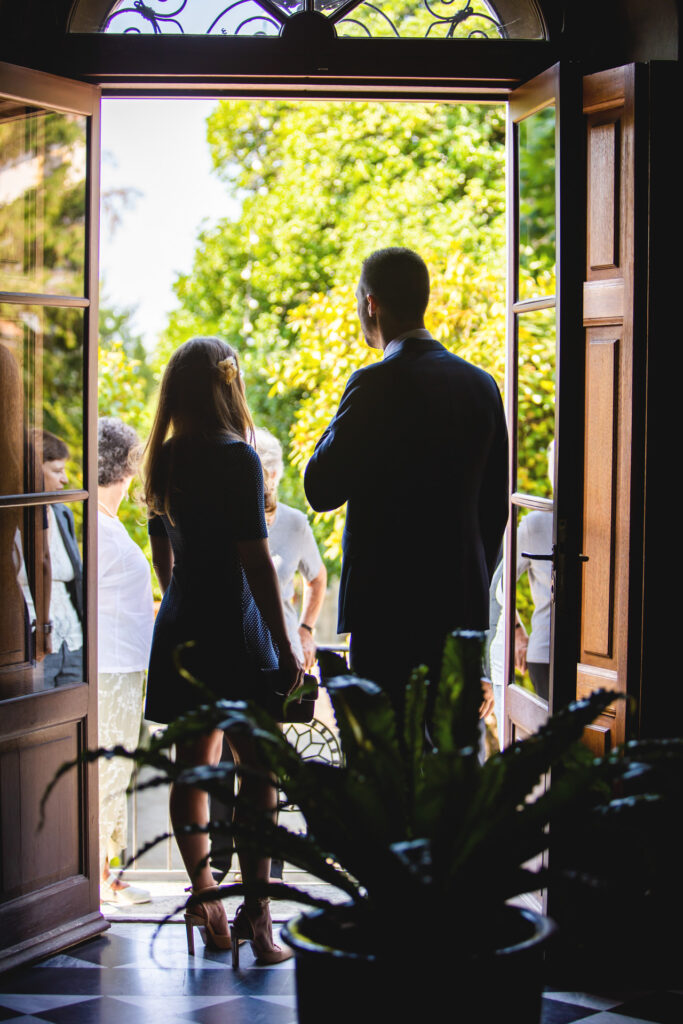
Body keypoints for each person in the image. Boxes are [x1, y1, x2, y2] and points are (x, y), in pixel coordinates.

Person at [143, 336, 301, 963]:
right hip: (235, 630)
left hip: (183, 625)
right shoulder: (240, 458)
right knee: (260, 771)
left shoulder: (167, 456)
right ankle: (259, 921)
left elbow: (164, 549)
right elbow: (257, 562)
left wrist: (178, 593)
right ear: (227, 385)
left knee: (194, 767)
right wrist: (286, 643)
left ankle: (206, 901)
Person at [304, 247, 508, 718]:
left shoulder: (373, 384)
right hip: (460, 607)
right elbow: (494, 510)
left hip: (385, 611)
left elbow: (320, 488)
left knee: (386, 765)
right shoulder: (482, 385)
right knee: (450, 768)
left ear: (370, 304)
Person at [97, 417, 155, 906]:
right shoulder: (94, 524)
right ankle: (98, 878)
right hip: (109, 669)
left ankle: (106, 873)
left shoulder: (106, 520)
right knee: (108, 772)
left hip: (125, 666)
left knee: (118, 770)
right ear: (128, 464)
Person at [254, 427, 327, 669]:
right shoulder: (227, 522)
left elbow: (317, 578)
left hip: (286, 658)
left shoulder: (295, 523)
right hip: (240, 655)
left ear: (273, 474)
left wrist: (305, 629)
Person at [39, 431, 83, 688]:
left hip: (73, 643)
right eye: (57, 471)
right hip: (31, 647)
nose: (65, 480)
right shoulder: (9, 519)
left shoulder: (62, 513)